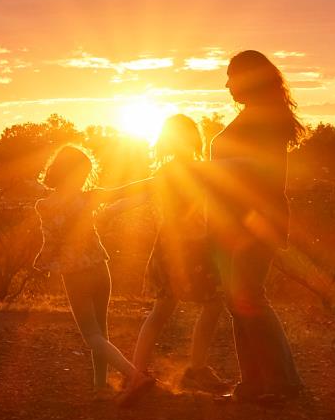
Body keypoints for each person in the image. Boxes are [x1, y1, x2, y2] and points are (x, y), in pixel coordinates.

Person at [206, 49, 305, 403]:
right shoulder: (256, 116)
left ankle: (283, 383)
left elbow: (257, 169)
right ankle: (254, 382)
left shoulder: (264, 119)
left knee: (248, 296)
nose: (228, 84)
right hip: (234, 221)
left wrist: (206, 171)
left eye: (233, 76)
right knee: (238, 299)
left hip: (254, 221)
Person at [33, 144, 155, 401]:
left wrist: (42, 266)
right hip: (101, 268)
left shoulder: (45, 205)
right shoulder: (88, 197)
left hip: (76, 274)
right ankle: (100, 386)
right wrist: (155, 182)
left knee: (92, 335)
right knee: (101, 331)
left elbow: (50, 241)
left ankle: (134, 377)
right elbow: (123, 192)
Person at [130, 114, 226, 392]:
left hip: (175, 246)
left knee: (166, 308)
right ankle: (191, 370)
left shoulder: (171, 170)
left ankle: (138, 372)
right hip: (188, 246)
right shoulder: (194, 170)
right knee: (209, 302)